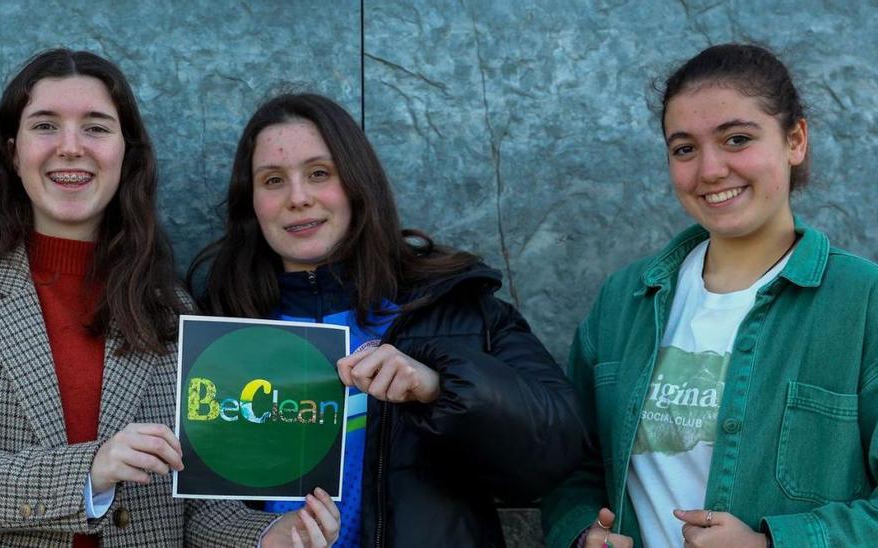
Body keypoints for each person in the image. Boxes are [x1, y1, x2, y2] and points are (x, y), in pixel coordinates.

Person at [0, 49, 338, 547]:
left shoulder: (171, 308)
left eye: (96, 128)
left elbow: (195, 507)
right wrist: (90, 469)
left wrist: (271, 534)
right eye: (45, 126)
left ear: (127, 154)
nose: (72, 147)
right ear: (13, 153)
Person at [188, 93, 585, 547]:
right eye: (273, 180)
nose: (297, 198)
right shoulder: (217, 326)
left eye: (320, 173)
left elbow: (560, 448)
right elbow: (190, 507)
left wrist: (441, 387)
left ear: (358, 184)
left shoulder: (449, 305)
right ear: (251, 202)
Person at [542, 43, 878, 548]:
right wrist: (583, 533)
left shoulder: (864, 303)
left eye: (737, 139)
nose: (711, 170)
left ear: (795, 140)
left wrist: (773, 544)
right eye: (684, 149)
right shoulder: (624, 301)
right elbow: (571, 464)